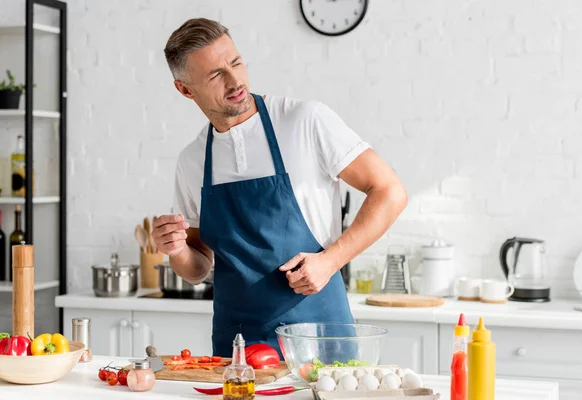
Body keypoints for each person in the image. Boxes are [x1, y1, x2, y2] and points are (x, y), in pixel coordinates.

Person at [152, 17, 408, 358]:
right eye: (215, 74)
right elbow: (198, 268)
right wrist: (177, 250)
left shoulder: (304, 121)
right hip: (239, 349)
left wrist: (330, 261)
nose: (234, 80)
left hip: (322, 338)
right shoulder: (193, 160)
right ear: (185, 89)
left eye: (236, 62)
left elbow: (390, 191)